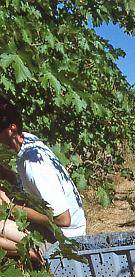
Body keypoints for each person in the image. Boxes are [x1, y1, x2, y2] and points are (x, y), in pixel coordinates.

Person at [0, 95, 86, 262]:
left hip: (65, 239)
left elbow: (63, 219)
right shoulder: (28, 141)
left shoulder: (34, 165)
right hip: (63, 230)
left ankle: (35, 254)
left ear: (12, 128)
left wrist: (11, 207)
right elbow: (23, 184)